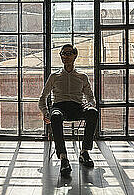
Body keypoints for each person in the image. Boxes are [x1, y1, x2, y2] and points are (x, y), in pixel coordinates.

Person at [38, 44, 98, 176]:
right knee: (55, 116)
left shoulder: (82, 76)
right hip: (59, 106)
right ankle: (63, 158)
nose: (66, 56)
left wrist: (90, 104)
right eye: (63, 54)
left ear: (75, 55)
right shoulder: (54, 76)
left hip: (77, 106)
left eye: (69, 53)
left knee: (93, 112)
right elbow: (43, 97)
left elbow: (91, 97)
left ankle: (84, 152)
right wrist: (45, 112)